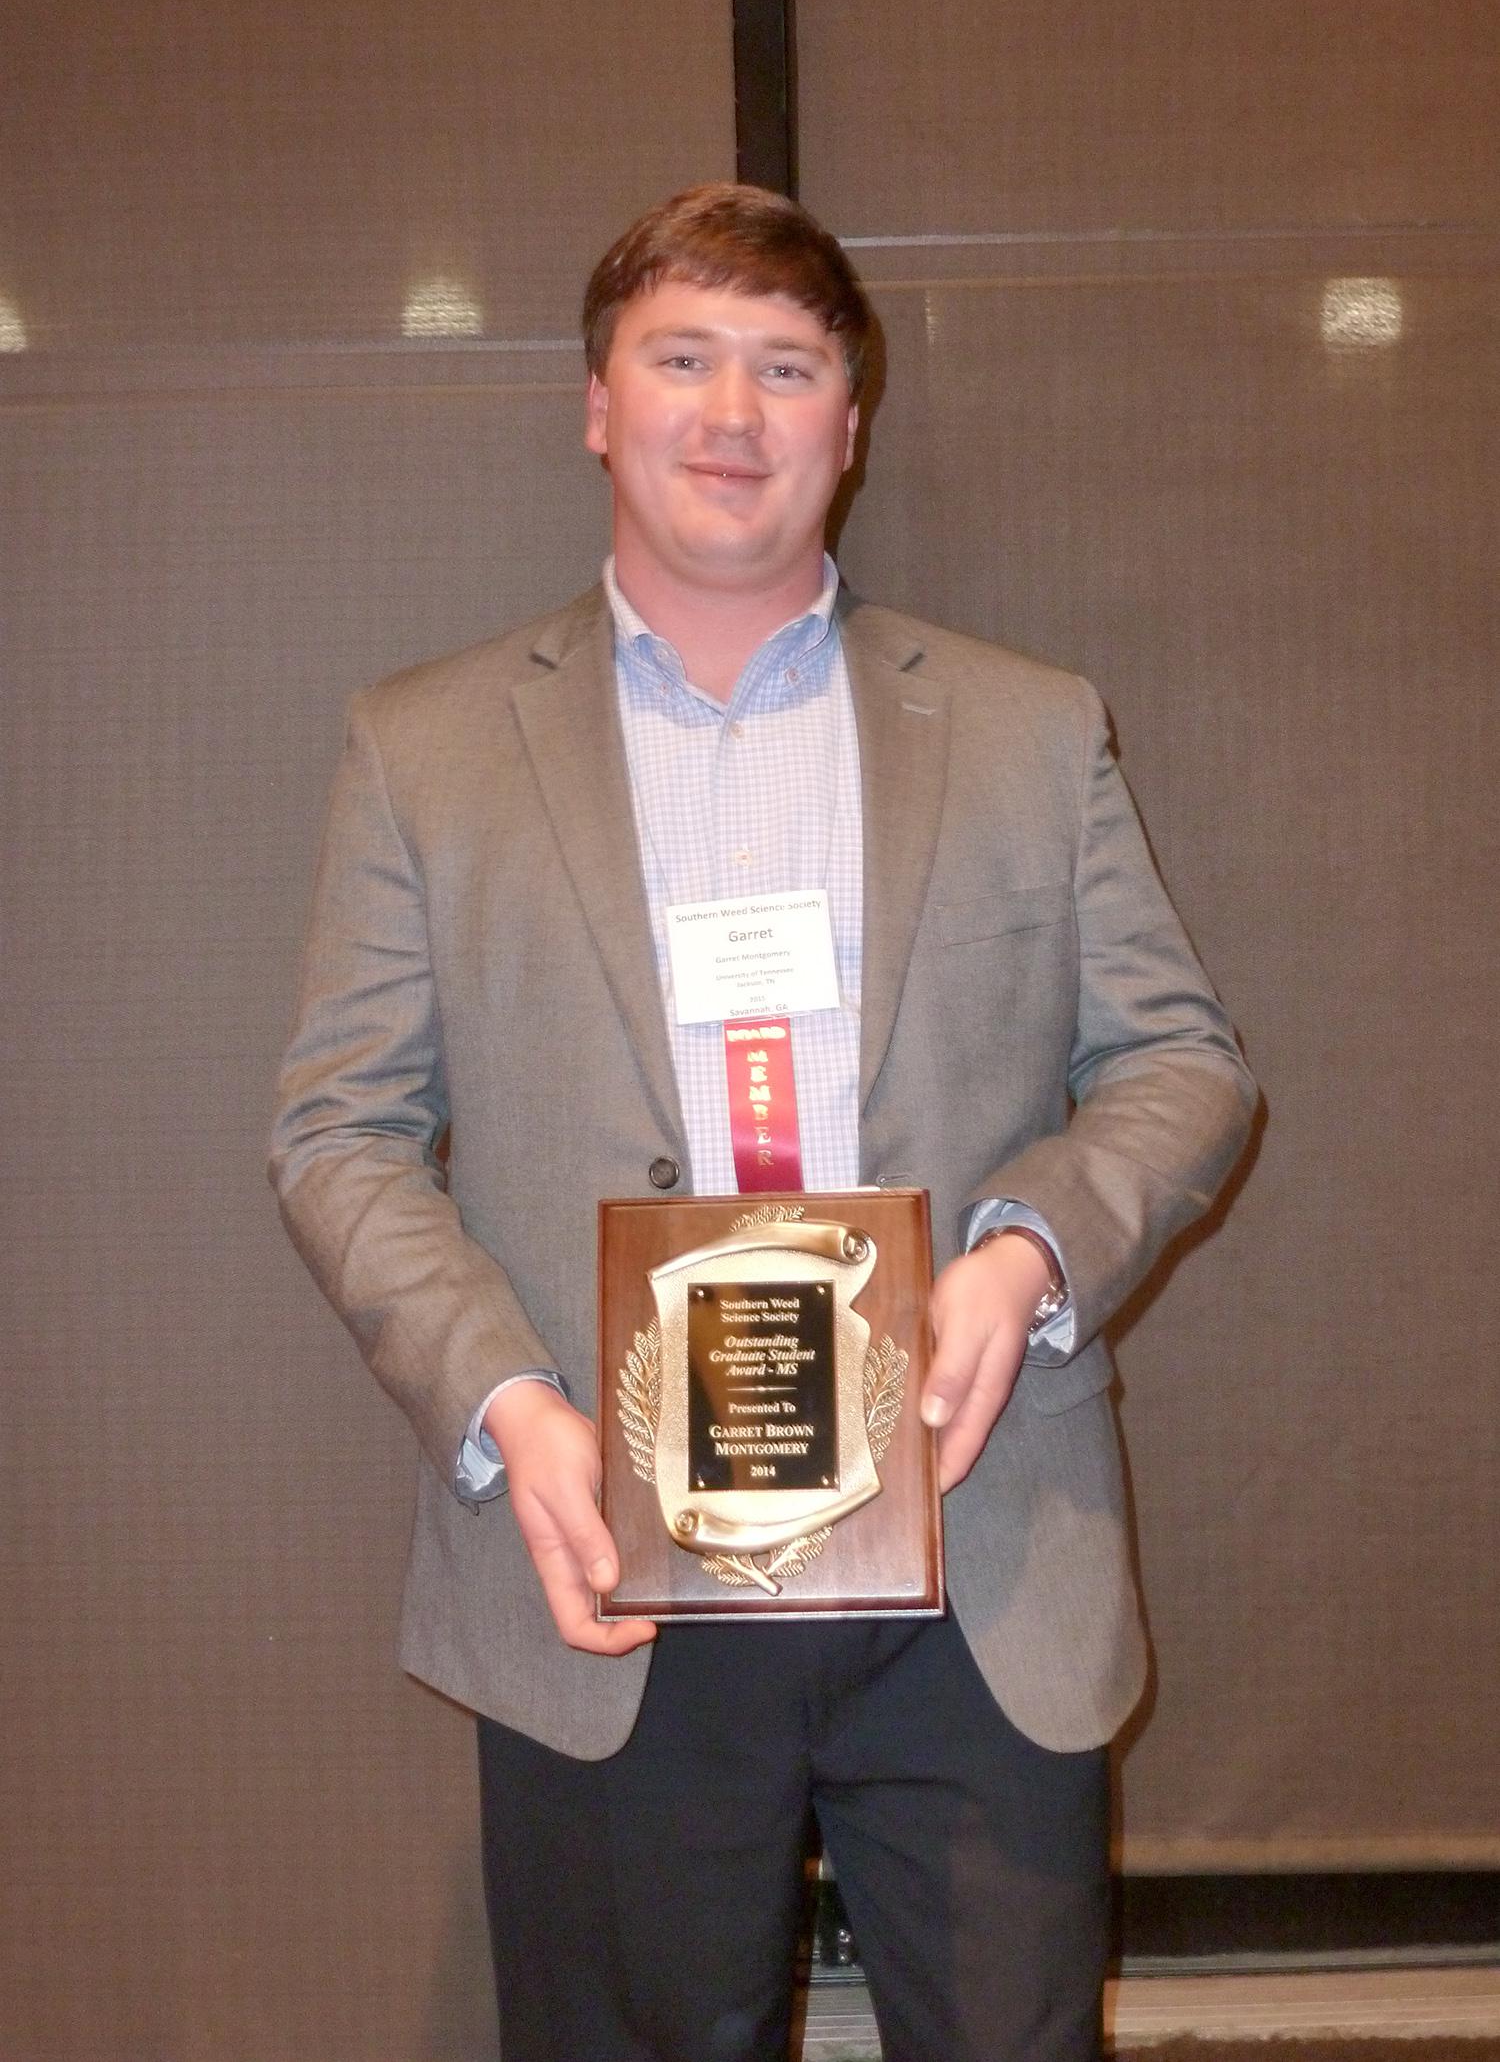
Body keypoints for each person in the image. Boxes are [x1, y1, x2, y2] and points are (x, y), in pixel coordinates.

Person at [270, 183, 1256, 2062]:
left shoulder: (1031, 728)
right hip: (607, 1584)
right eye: (684, 357)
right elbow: (338, 1132)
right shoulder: (428, 746)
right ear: (595, 400)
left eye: (787, 367)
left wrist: (1032, 1247)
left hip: (976, 1561)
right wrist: (506, 1408)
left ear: (850, 421)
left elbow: (1184, 1061)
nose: (733, 414)